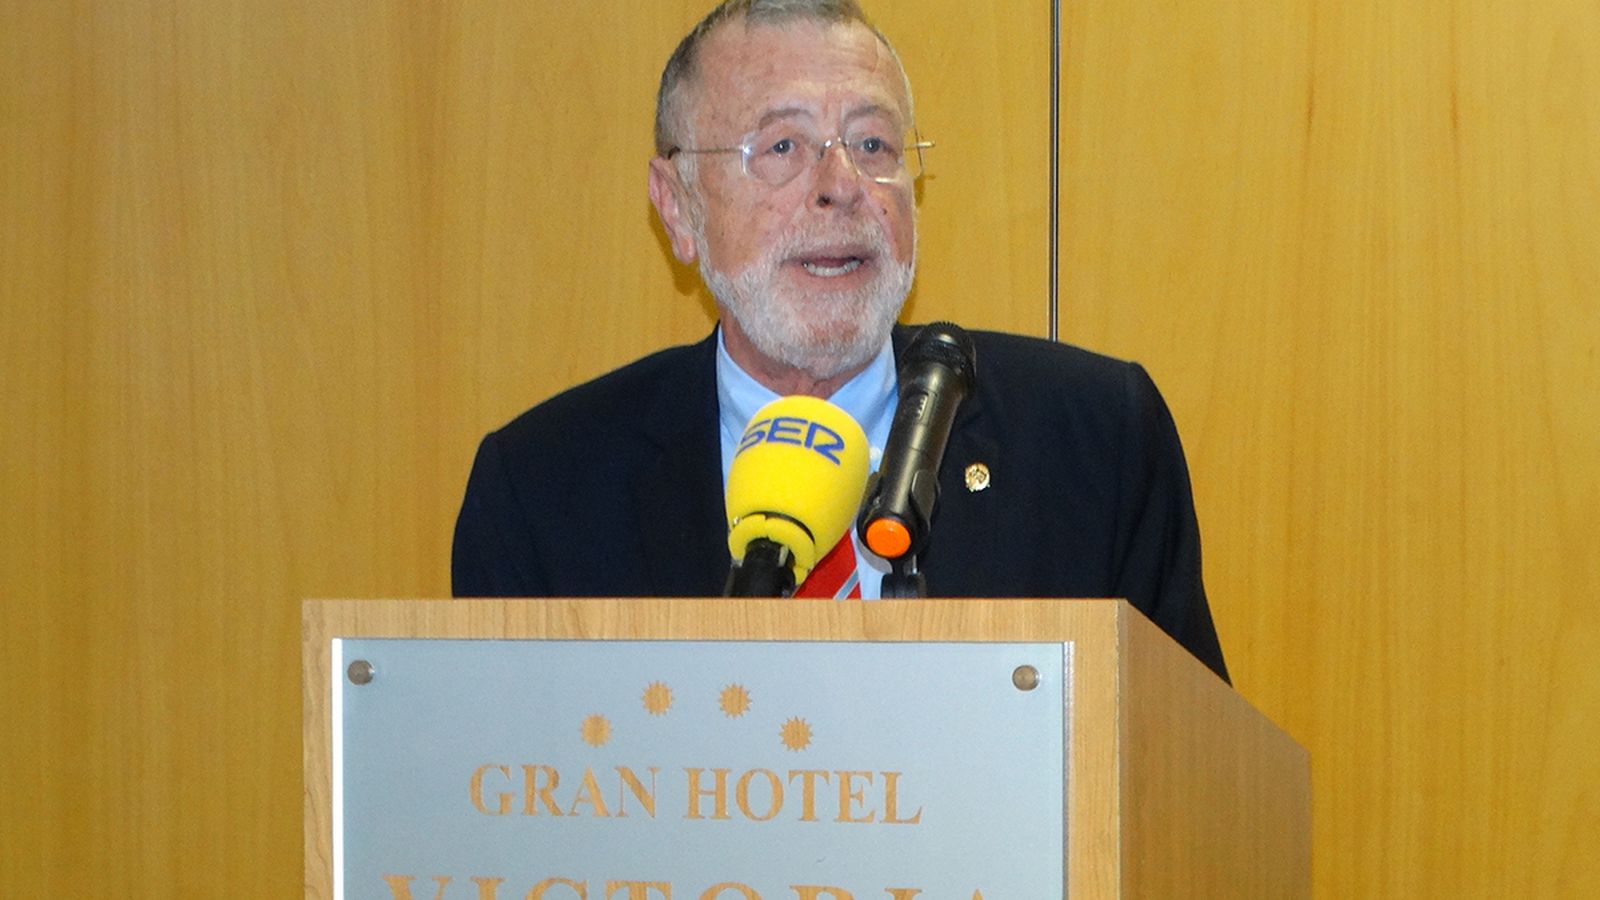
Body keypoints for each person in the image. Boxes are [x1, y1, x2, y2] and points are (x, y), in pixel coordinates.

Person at [451, 0, 1229, 681]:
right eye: (783, 147)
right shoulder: (541, 491)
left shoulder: (1094, 441)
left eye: (873, 145)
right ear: (679, 208)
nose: (840, 185)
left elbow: (1191, 787)